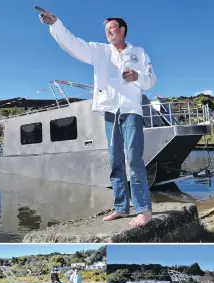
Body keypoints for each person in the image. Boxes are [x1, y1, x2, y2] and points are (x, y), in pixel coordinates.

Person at [37, 8, 156, 227]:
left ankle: (143, 210)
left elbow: (151, 80)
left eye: (112, 28)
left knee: (134, 159)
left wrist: (137, 76)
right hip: (110, 110)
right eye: (106, 30)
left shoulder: (139, 52)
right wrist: (56, 24)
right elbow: (73, 45)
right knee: (115, 160)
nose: (108, 32)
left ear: (122, 30)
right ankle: (121, 207)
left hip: (131, 110)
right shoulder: (99, 51)